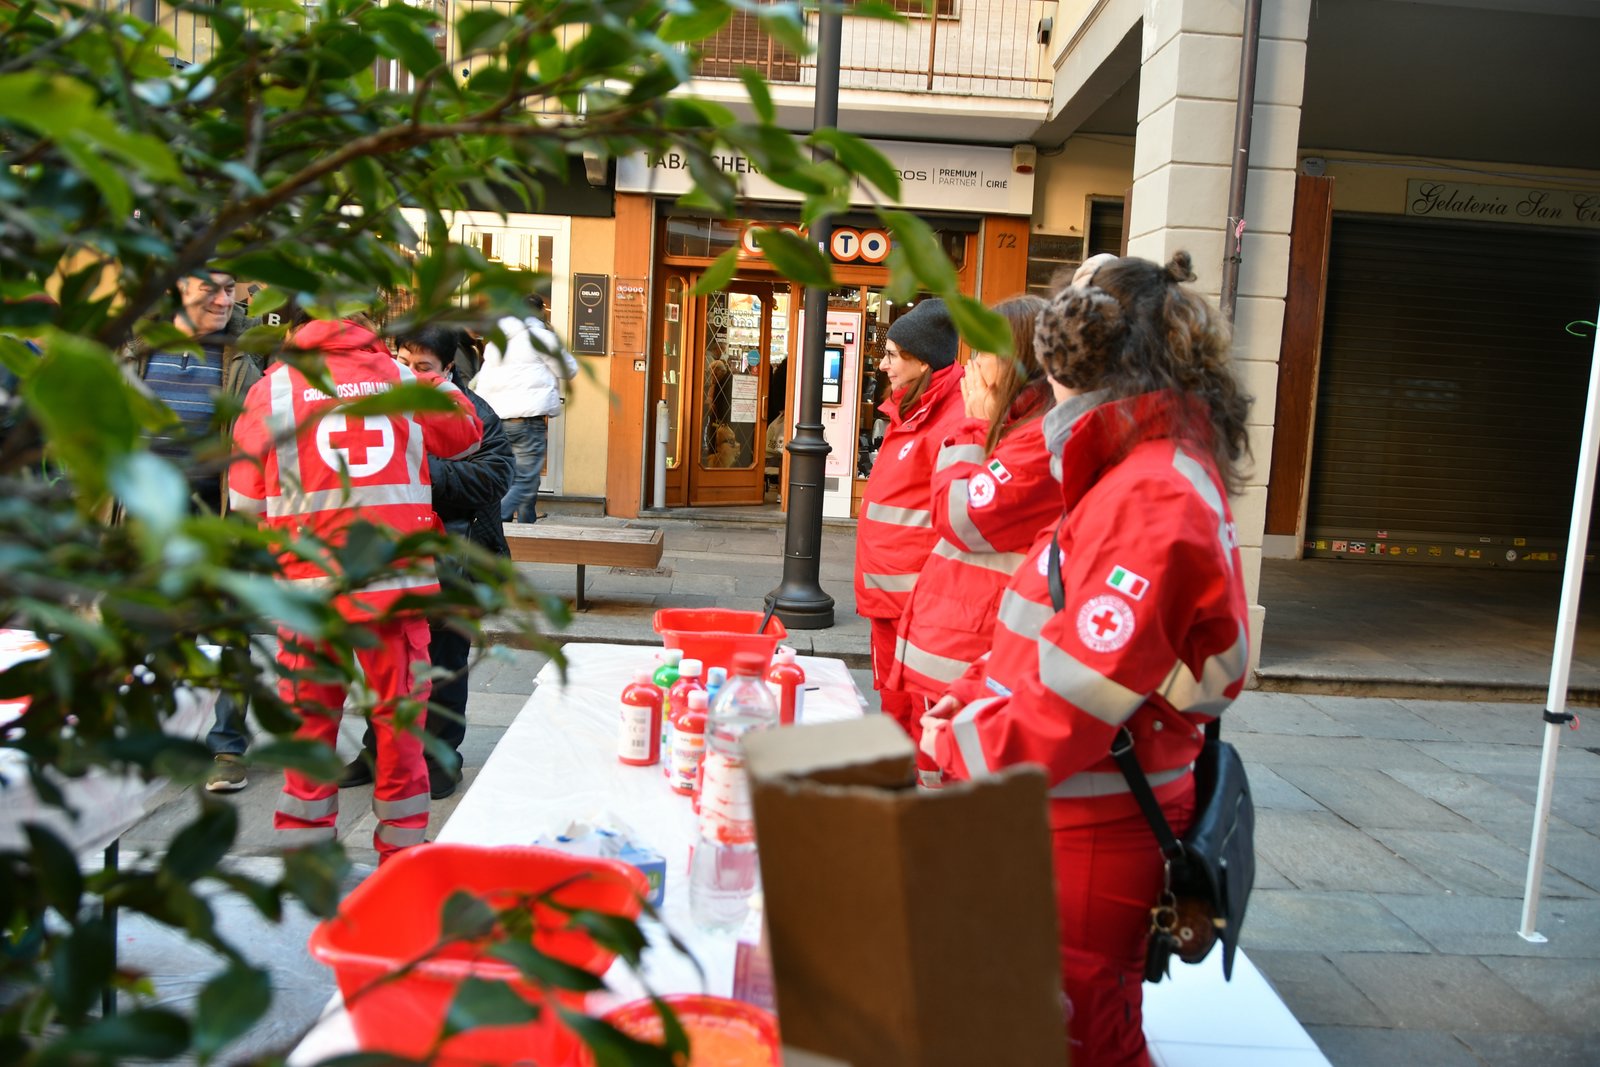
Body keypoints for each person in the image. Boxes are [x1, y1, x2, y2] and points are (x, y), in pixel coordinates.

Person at [919, 253, 1252, 1066]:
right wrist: (972, 693)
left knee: (1082, 1037)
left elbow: (1075, 699)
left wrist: (957, 739)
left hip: (1088, 830)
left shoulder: (1150, 490)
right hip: (1074, 812)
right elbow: (1050, 633)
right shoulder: (1142, 467)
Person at [229, 314, 483, 861]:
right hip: (395, 587)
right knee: (401, 727)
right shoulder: (401, 378)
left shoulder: (273, 388)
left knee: (310, 724)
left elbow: (245, 502)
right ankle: (401, 854)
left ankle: (307, 856)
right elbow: (465, 436)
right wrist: (434, 379)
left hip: (307, 590)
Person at [338, 324, 514, 800]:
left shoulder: (473, 411)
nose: (411, 375)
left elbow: (494, 478)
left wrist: (415, 471)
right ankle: (378, 750)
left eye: (424, 367)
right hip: (390, 558)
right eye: (403, 363)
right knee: (384, 660)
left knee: (445, 663)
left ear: (448, 368)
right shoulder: (380, 404)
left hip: (455, 559)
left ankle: (440, 758)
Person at [887, 295, 1058, 783]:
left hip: (970, 649)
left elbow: (958, 517)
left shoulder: (1033, 439)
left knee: (947, 787)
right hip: (954, 643)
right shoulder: (1016, 427)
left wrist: (975, 426)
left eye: (983, 354)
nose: (973, 367)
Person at [120, 267, 263, 792]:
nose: (225, 300)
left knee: (230, 627)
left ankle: (227, 747)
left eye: (230, 289)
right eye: (211, 289)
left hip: (218, 511)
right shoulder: (136, 349)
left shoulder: (244, 355)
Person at [853, 297, 966, 750]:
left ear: (922, 361)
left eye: (892, 355)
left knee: (918, 713)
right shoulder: (913, 409)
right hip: (894, 599)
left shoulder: (951, 420)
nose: (883, 365)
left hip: (917, 603)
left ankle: (917, 787)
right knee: (895, 703)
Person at [472, 293, 578, 524]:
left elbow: (484, 380)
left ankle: (524, 526)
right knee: (526, 480)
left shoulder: (498, 340)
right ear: (540, 312)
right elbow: (568, 369)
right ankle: (490, 521)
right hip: (526, 421)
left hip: (497, 421)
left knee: (510, 477)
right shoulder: (540, 337)